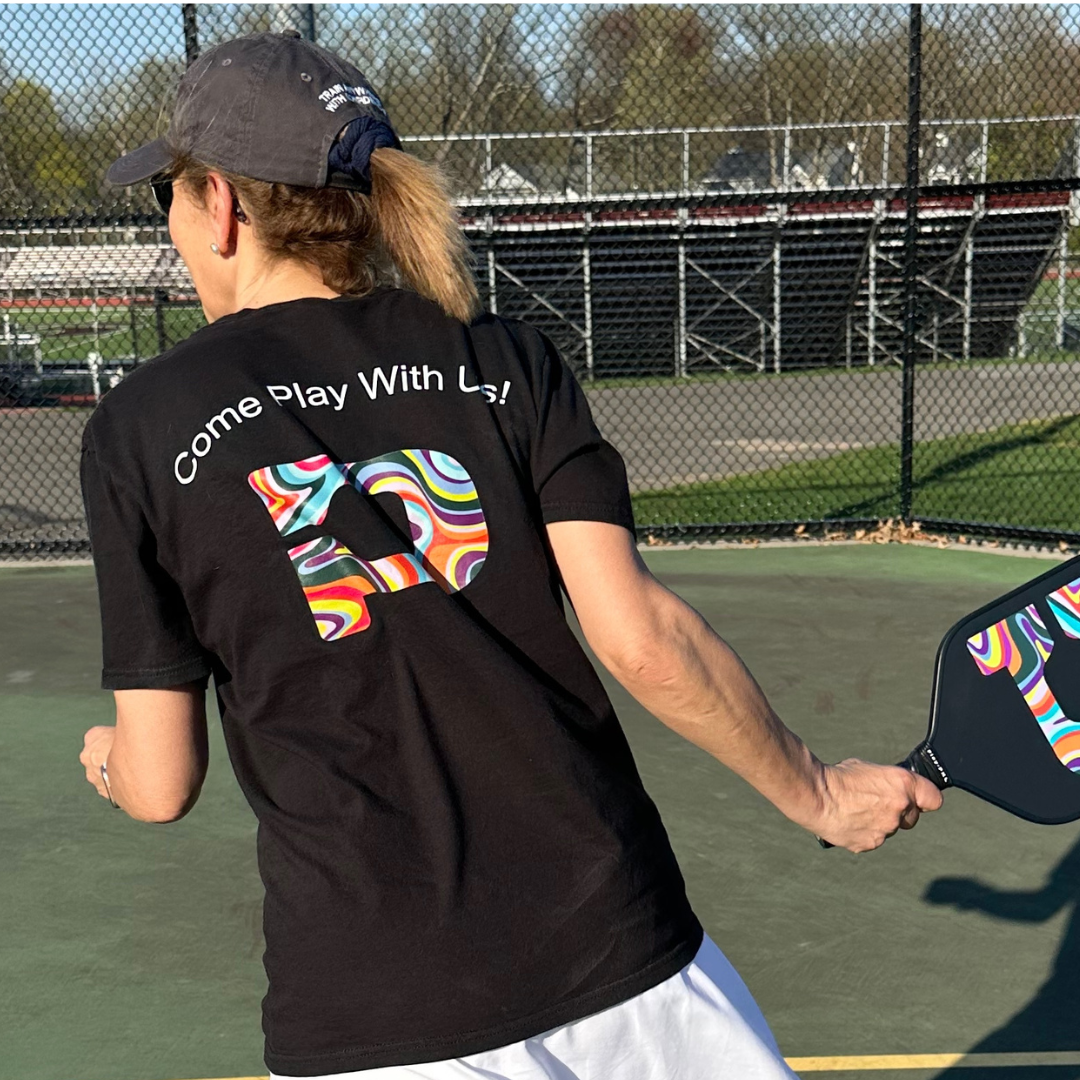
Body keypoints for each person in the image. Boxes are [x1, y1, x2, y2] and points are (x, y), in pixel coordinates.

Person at [77, 31, 943, 1080]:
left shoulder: (144, 424)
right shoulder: (498, 354)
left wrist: (114, 769)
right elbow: (641, 637)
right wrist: (818, 790)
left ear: (221, 204)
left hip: (379, 1008)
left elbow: (161, 780)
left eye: (168, 192)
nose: (170, 221)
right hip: (626, 955)